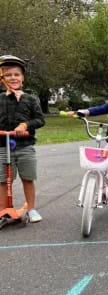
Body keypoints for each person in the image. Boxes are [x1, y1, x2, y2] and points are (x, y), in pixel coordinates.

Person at [0, 55, 45, 222]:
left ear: (22, 77)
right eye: (8, 74)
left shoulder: (30, 99)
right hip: (3, 147)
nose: (13, 78)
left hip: (25, 146)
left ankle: (31, 209)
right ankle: (3, 210)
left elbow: (40, 120)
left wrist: (25, 126)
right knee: (3, 180)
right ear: (2, 78)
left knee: (28, 178)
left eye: (16, 74)